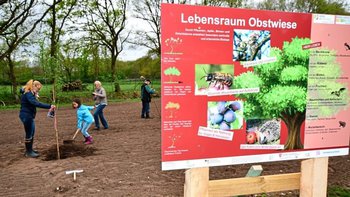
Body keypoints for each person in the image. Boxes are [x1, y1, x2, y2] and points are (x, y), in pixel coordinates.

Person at [19, 80, 55, 158]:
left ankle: (30, 150)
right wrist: (49, 106)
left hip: (29, 115)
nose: (38, 90)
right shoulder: (28, 93)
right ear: (34, 86)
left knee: (31, 132)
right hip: (26, 116)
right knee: (29, 133)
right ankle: (28, 152)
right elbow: (35, 103)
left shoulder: (29, 93)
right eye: (38, 89)